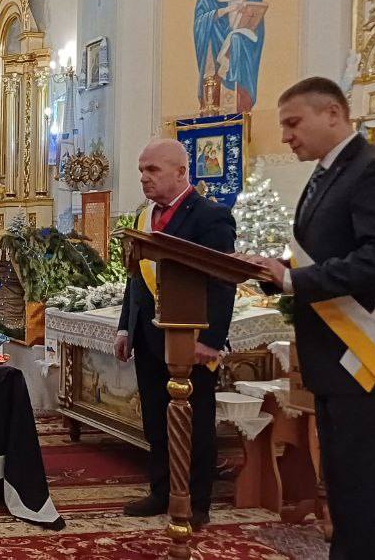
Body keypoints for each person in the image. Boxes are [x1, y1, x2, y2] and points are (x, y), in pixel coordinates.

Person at [240, 76, 375, 559]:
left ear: (333, 114)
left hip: (369, 357)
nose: (285, 136)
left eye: (293, 123)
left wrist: (293, 280)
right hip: (336, 358)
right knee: (344, 490)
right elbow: (324, 253)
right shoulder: (326, 174)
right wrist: (273, 271)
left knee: (370, 493)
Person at [115, 139, 237, 530]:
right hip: (148, 334)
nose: (144, 178)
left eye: (152, 170)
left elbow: (223, 281)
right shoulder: (144, 216)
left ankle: (196, 501)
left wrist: (212, 340)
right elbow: (135, 277)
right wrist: (125, 326)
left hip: (191, 336)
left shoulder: (211, 217)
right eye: (141, 170)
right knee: (155, 417)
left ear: (182, 171)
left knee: (195, 420)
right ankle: (161, 490)